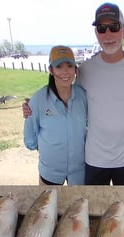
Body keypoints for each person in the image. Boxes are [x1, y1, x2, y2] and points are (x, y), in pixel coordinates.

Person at [23, 2, 124, 186]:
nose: (107, 34)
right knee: (92, 210)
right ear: (96, 34)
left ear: (123, 31)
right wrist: (34, 108)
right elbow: (68, 98)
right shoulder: (86, 69)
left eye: (113, 27)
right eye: (101, 29)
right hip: (94, 159)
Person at [23, 45, 87, 185]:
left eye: (70, 66)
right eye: (58, 66)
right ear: (51, 70)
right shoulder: (38, 99)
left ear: (75, 69)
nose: (65, 71)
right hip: (49, 172)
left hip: (80, 172)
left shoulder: (83, 96)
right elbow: (30, 139)